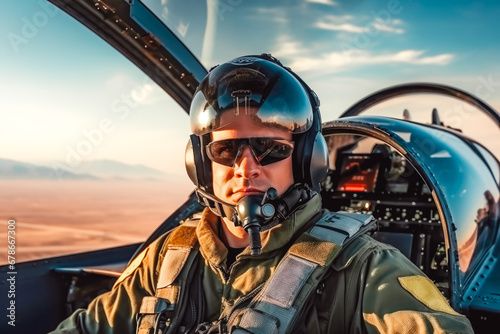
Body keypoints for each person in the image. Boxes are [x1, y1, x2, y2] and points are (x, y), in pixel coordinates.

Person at [50, 54, 474, 334]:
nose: (246, 167)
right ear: (201, 163)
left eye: (271, 149)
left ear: (307, 160)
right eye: (225, 149)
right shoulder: (167, 257)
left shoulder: (362, 269)